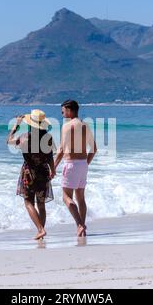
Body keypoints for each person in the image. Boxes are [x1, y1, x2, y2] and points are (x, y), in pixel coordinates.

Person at [7, 109, 56, 240]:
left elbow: (9, 141)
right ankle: (41, 231)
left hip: (29, 173)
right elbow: (50, 156)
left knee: (28, 202)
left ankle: (40, 229)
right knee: (41, 204)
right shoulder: (48, 138)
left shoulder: (24, 137)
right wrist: (53, 170)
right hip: (44, 172)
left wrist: (15, 125)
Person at [54, 100, 97, 237]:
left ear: (69, 110)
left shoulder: (67, 126)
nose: (62, 114)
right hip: (83, 164)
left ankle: (79, 225)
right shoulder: (85, 126)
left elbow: (60, 150)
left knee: (66, 197)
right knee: (81, 198)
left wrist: (52, 167)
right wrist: (85, 164)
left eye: (63, 111)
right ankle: (82, 229)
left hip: (71, 163)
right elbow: (94, 149)